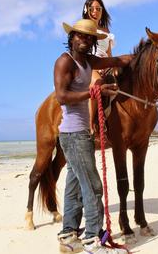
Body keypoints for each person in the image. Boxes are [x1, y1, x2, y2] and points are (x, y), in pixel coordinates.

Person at [55, 18, 131, 254]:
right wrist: (94, 91)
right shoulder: (64, 62)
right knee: (93, 186)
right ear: (72, 37)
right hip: (74, 133)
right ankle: (92, 242)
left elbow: (115, 60)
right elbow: (62, 96)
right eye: (81, 36)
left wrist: (137, 56)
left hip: (77, 134)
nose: (85, 40)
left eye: (90, 38)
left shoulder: (88, 60)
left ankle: (68, 236)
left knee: (74, 184)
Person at [82, 0, 116, 134]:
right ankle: (90, 125)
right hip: (90, 64)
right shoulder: (84, 27)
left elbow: (109, 54)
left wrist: (112, 66)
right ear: (87, 10)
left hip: (105, 64)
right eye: (92, 9)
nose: (95, 11)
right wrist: (96, 67)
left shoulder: (107, 32)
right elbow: (83, 52)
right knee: (97, 83)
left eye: (98, 9)